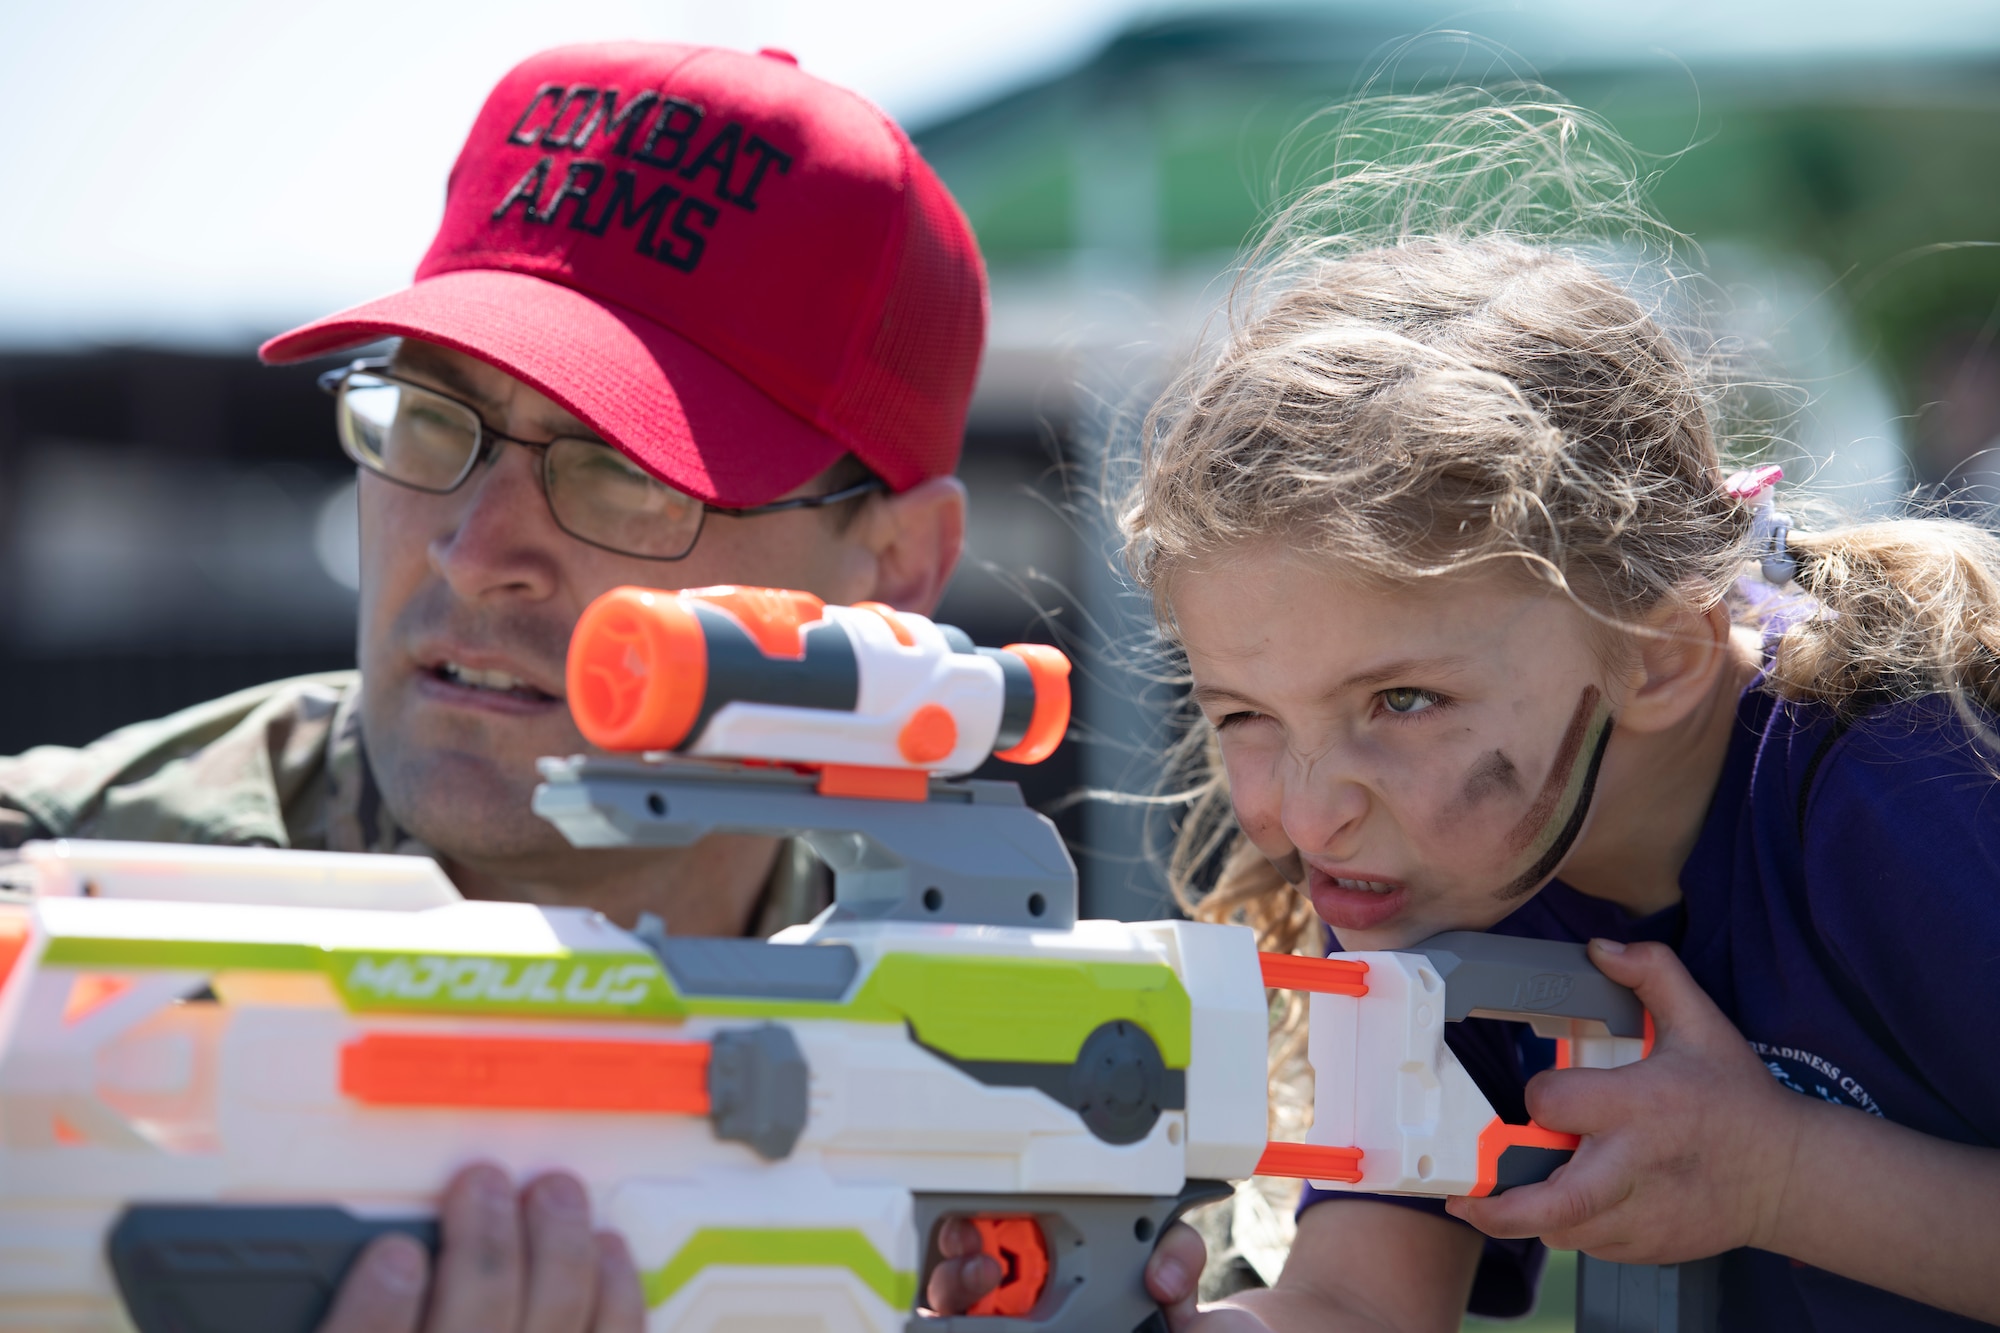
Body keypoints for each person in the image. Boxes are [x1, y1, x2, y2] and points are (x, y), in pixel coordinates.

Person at [0, 42, 986, 1333]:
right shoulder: (51, 919)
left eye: (627, 467)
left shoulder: (983, 1077)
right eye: (426, 412)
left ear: (896, 569)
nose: (475, 548)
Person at [1107, 90, 2000, 1331]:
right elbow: (1355, 1305)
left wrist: (1780, 1176)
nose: (1299, 812)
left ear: (1658, 654)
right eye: (1242, 713)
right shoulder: (1425, 891)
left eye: (1401, 700)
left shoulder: (1908, 801)